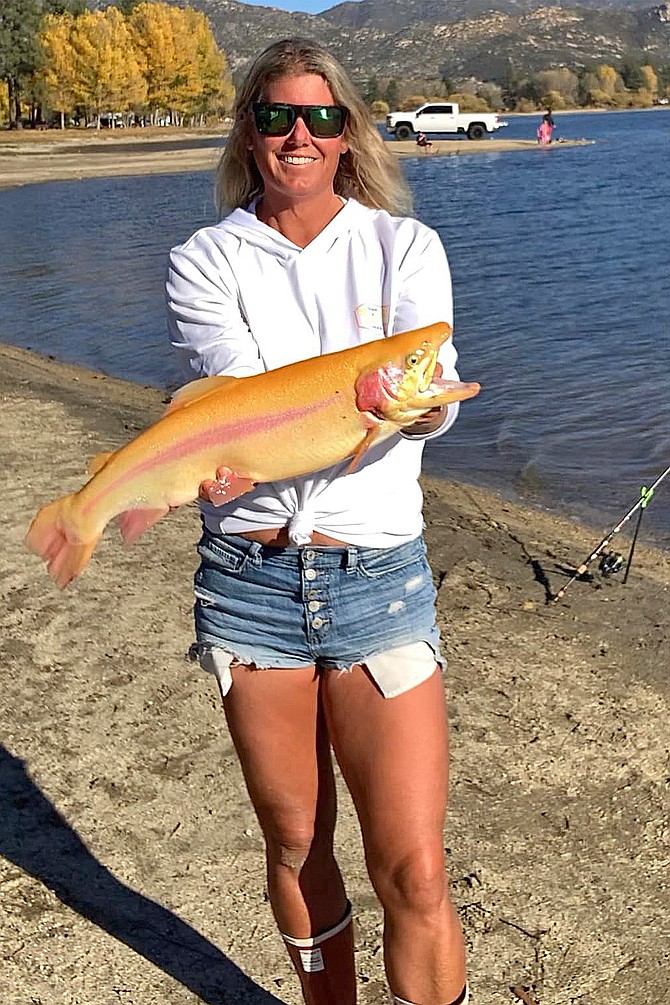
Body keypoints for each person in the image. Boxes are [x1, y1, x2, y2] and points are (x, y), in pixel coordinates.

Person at [166, 37, 469, 1005]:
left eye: (320, 117)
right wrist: (199, 460)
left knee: (415, 869)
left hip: (376, 577)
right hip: (250, 584)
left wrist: (415, 402)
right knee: (297, 843)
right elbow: (240, 398)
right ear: (250, 134)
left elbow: (436, 395)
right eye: (276, 116)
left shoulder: (403, 248)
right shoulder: (203, 259)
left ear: (348, 134)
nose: (299, 134)